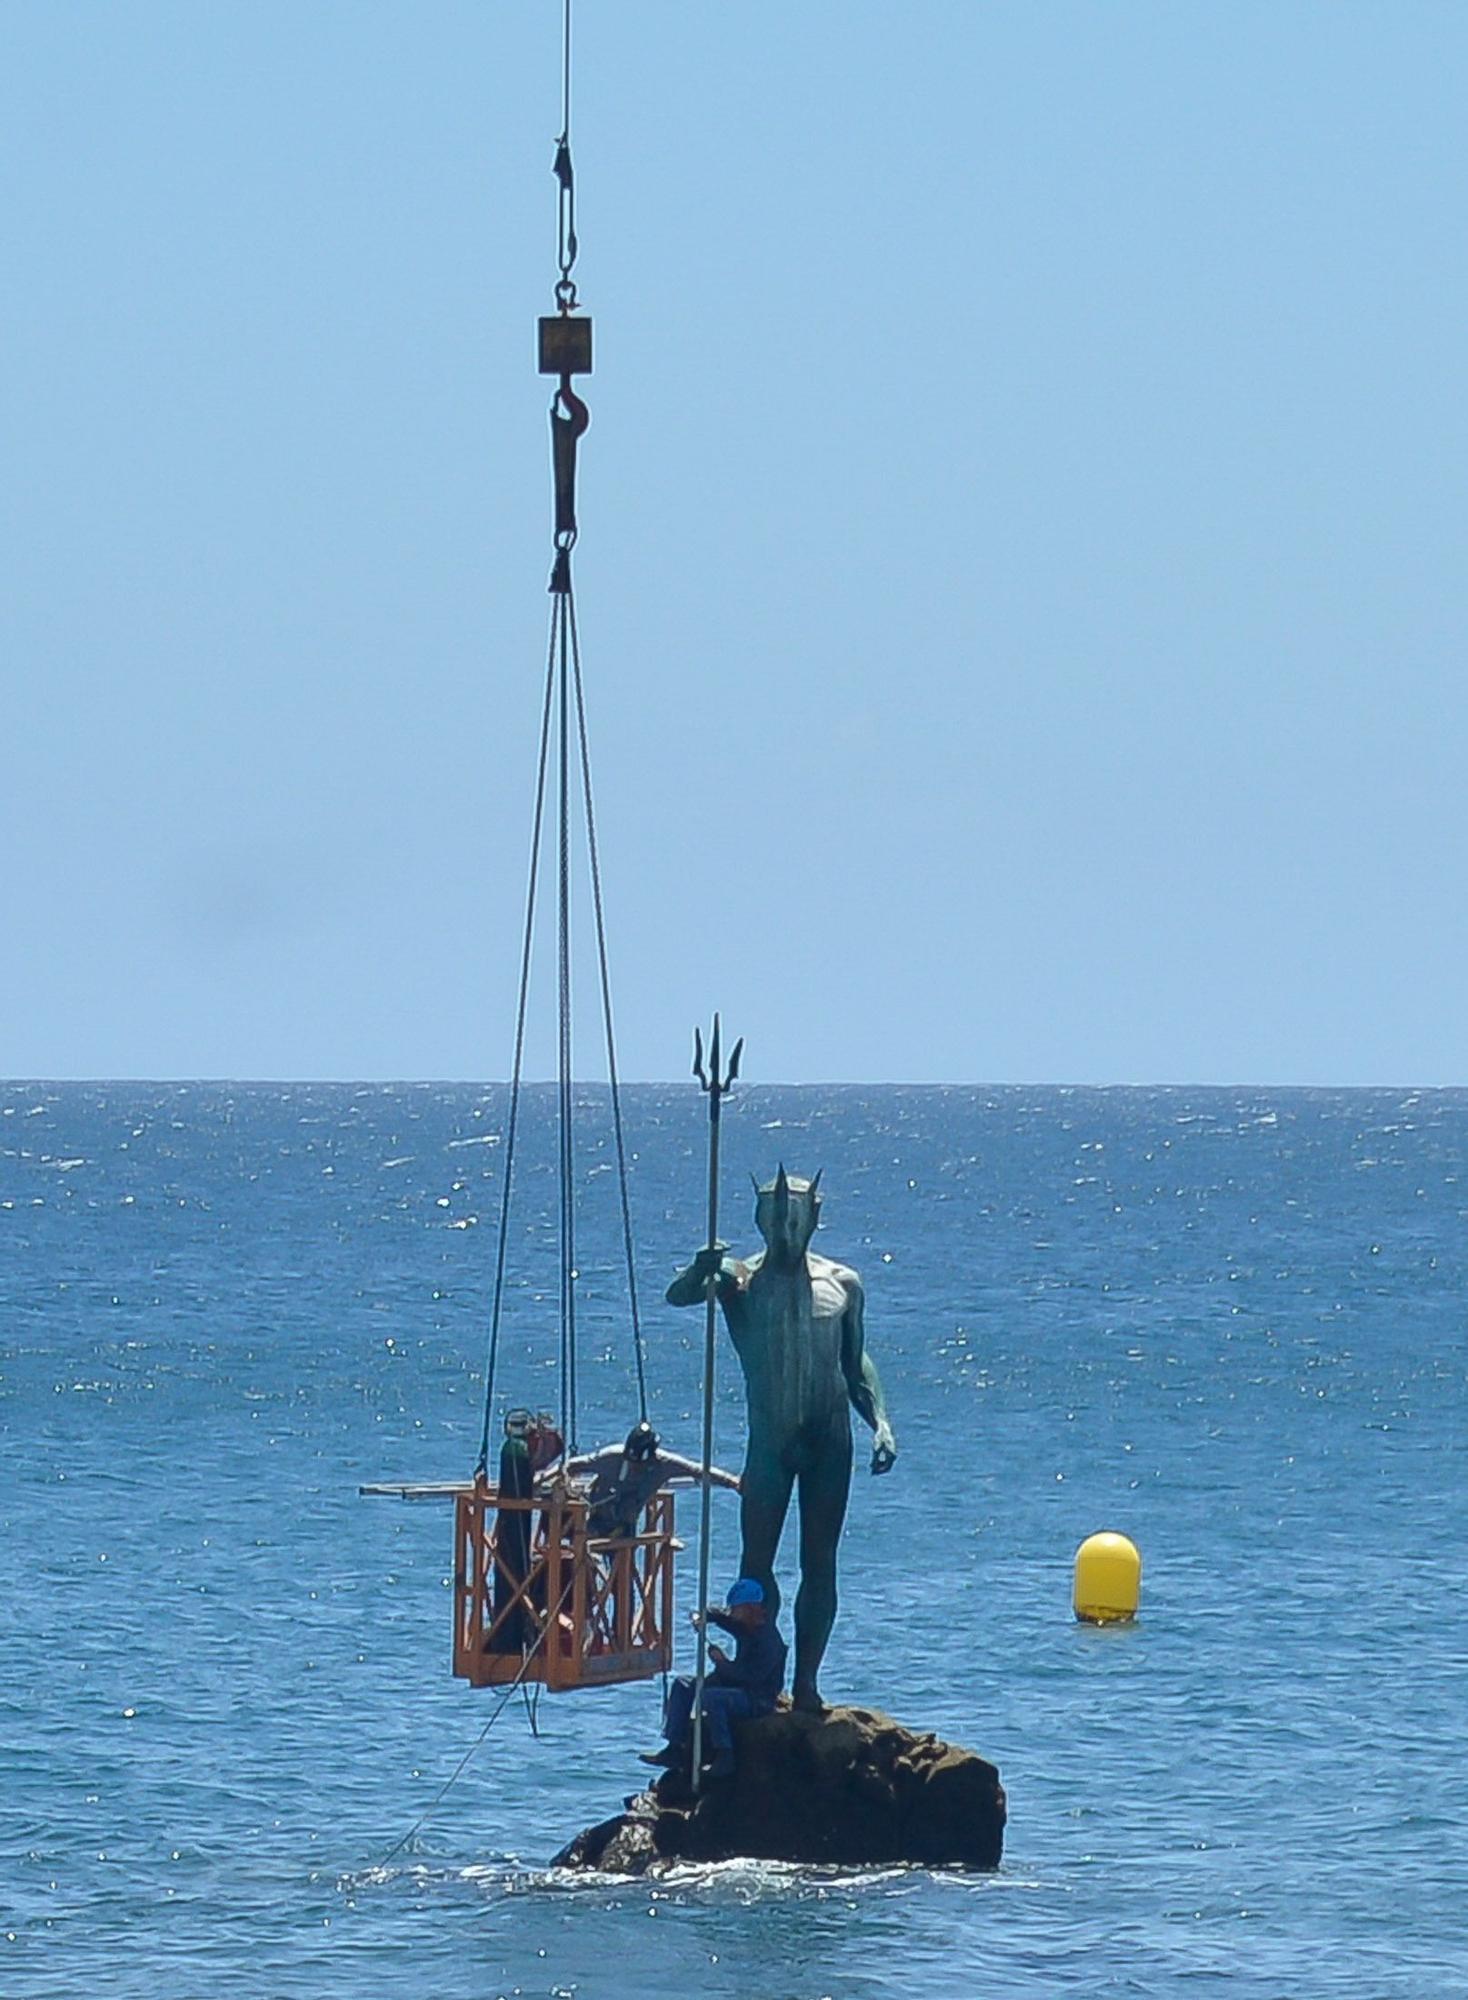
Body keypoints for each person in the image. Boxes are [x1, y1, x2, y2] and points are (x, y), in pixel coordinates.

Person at [639, 1577, 787, 1781]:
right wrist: (701, 1616)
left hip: (757, 1698)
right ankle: (674, 1747)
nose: (733, 1614)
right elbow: (720, 1615)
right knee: (683, 1684)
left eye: (737, 1609)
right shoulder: (744, 1624)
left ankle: (725, 1755)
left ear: (750, 1608)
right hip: (736, 1685)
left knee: (712, 1697)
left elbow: (750, 1677)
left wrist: (722, 1663)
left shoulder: (768, 1640)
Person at [544, 1421, 739, 1540]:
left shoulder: (663, 1465)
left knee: (623, 1586)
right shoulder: (611, 1458)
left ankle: (623, 1605)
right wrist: (556, 1481)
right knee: (581, 1566)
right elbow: (571, 1465)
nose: (635, 1468)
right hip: (592, 1523)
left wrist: (733, 1482)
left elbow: (698, 1470)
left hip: (623, 1531)